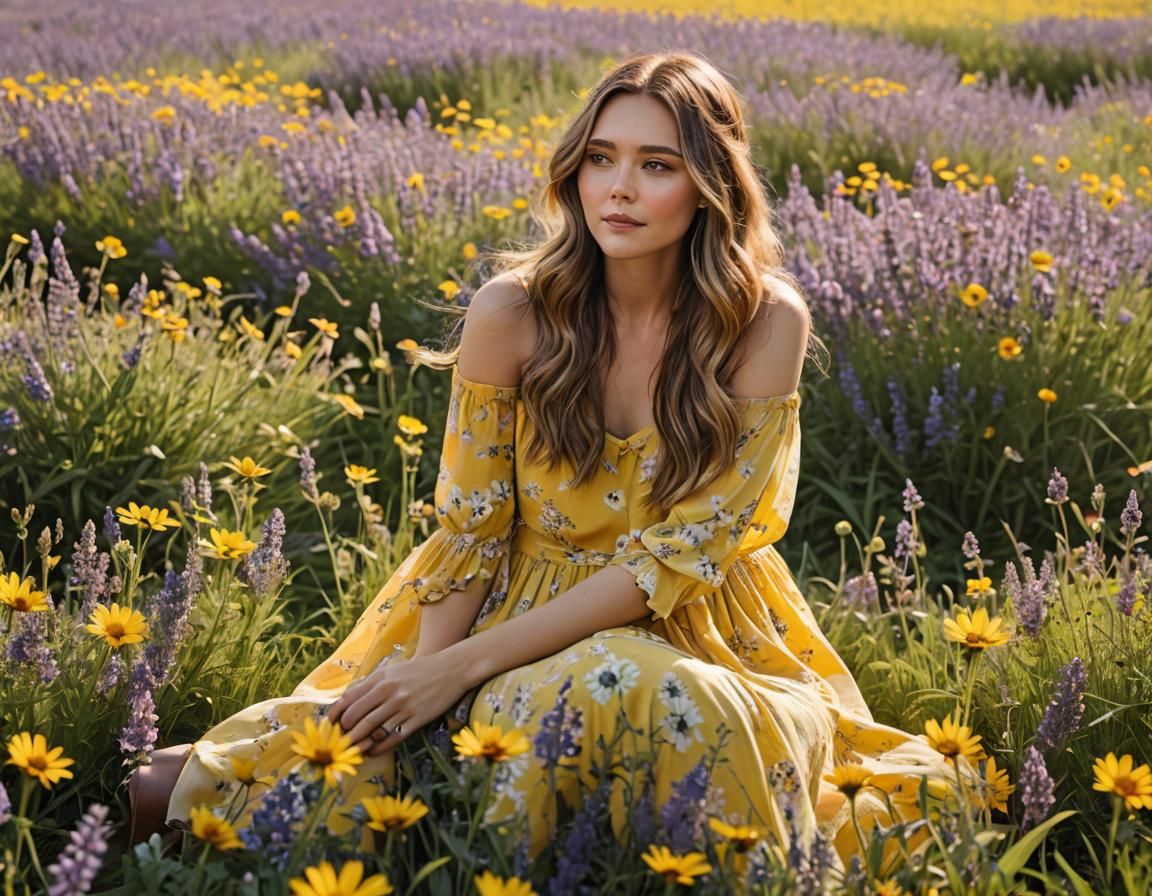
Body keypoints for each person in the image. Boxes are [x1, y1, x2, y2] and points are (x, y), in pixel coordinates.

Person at [156, 50, 964, 865]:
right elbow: (469, 536)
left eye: (658, 165)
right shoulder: (514, 313)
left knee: (700, 706)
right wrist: (427, 687)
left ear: (713, 184)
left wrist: (464, 668)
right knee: (297, 783)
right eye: (600, 158)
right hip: (511, 613)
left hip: (702, 628)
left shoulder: (763, 323)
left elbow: (693, 549)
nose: (619, 188)